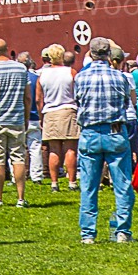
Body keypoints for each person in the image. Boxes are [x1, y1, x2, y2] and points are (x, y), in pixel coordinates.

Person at [74, 37, 135, 244]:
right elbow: (127, 102)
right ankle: (122, 232)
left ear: (90, 54)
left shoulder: (80, 78)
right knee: (122, 184)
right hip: (115, 131)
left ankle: (88, 234)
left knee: (89, 185)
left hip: (90, 132)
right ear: (109, 55)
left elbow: (78, 101)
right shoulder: (121, 77)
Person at [0, 38, 31, 208]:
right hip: (16, 119)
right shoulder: (21, 68)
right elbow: (27, 97)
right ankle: (21, 198)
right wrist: (25, 117)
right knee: (18, 158)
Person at [37, 43, 80, 192]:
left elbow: (38, 99)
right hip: (68, 109)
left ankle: (54, 183)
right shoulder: (71, 72)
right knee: (70, 149)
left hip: (50, 111)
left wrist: (42, 116)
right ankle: (72, 182)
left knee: (54, 149)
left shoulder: (42, 75)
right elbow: (78, 93)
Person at [16, 52, 43, 185]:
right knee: (35, 148)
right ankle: (36, 176)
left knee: (17, 150)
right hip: (34, 117)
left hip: (20, 117)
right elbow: (38, 99)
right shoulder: (37, 78)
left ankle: (17, 177)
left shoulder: (17, 79)